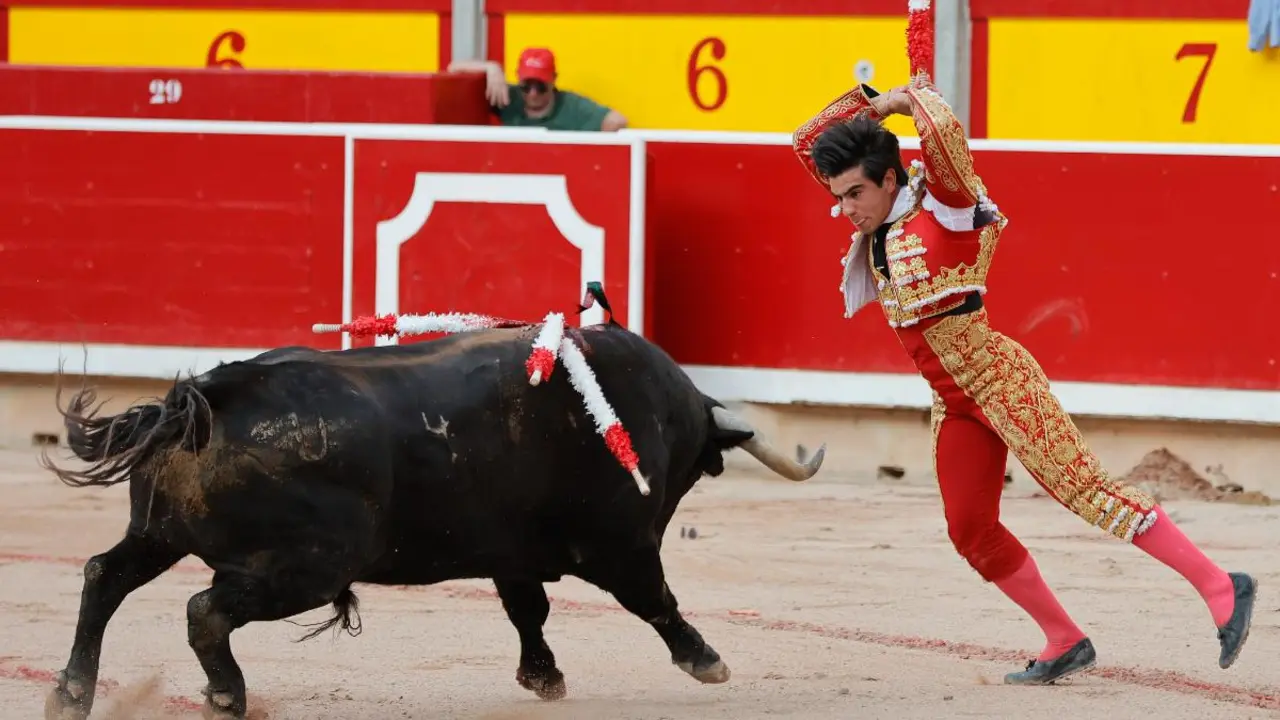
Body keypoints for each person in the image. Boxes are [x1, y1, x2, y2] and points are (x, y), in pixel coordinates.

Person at [790, 76, 1258, 685]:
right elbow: (805, 141)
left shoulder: (948, 206)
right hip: (952, 402)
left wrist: (911, 101)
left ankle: (1223, 586)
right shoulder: (875, 219)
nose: (845, 210)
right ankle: (1064, 637)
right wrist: (871, 106)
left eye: (855, 193)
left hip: (1001, 381)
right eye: (839, 197)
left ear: (889, 178)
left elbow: (948, 137)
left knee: (1088, 493)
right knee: (970, 529)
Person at [447, 48, 627, 132]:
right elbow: (454, 68)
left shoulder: (572, 106)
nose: (532, 93)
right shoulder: (507, 97)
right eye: (526, 86)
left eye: (540, 86)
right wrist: (491, 68)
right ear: (518, 78)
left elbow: (617, 121)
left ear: (554, 80)